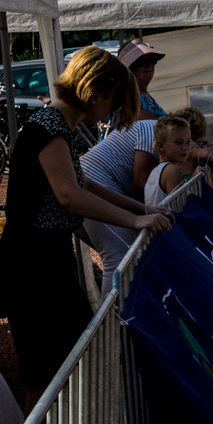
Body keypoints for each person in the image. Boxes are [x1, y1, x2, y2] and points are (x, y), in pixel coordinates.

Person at [0, 47, 173, 411]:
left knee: (71, 356)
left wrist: (140, 209)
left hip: (44, 263)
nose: (110, 113)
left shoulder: (57, 126)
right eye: (113, 103)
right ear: (96, 93)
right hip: (32, 268)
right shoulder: (50, 127)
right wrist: (135, 219)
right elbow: (70, 195)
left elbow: (83, 184)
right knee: (46, 374)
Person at [79, 114, 158, 295]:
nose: (186, 149)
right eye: (181, 143)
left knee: (126, 256)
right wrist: (136, 216)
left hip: (98, 185)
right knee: (119, 257)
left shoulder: (154, 130)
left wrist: (141, 211)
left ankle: (122, 309)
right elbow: (141, 180)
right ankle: (114, 312)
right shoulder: (151, 131)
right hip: (93, 185)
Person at [144, 115, 192, 208]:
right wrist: (195, 175)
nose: (185, 147)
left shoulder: (155, 171)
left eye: (188, 142)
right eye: (178, 142)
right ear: (161, 146)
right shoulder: (173, 170)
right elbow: (180, 209)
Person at [117, 39, 167, 121]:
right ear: (130, 69)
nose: (150, 65)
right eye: (143, 61)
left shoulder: (144, 95)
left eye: (152, 60)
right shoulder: (129, 97)